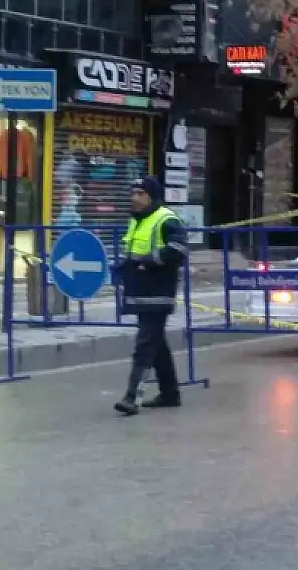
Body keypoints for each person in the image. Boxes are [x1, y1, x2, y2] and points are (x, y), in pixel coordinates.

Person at [113, 177, 189, 416]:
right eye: (133, 193)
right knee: (156, 344)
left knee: (145, 344)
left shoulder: (166, 219)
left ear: (152, 197)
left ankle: (131, 397)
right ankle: (170, 393)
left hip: (158, 293)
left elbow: (179, 250)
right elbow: (135, 253)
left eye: (140, 193)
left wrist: (150, 260)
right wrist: (123, 267)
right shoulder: (137, 221)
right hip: (140, 292)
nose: (134, 198)